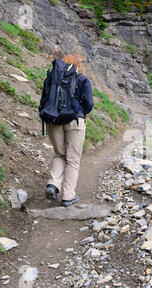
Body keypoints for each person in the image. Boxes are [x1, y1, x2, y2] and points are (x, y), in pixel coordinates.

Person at [40, 54, 94, 207]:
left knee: (59, 154)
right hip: (75, 122)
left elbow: (44, 100)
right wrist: (79, 111)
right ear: (77, 66)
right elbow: (89, 103)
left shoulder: (52, 77)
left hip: (53, 120)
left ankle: (53, 185)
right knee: (73, 160)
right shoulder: (82, 79)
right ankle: (68, 196)